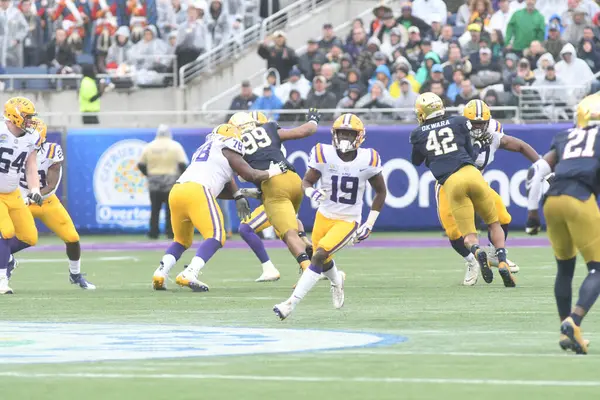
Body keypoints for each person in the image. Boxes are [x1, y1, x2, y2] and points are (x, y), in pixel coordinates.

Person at [273, 113, 387, 320]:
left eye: (349, 134)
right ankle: (337, 280)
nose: (344, 138)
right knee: (324, 261)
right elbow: (306, 182)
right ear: (334, 133)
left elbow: (381, 192)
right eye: (341, 133)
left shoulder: (369, 158)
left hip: (348, 220)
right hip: (323, 216)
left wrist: (369, 224)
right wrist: (311, 192)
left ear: (359, 136)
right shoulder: (323, 153)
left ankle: (290, 304)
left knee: (317, 256)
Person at [151, 123, 289, 292]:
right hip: (198, 190)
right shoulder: (229, 146)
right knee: (217, 235)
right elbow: (250, 174)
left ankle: (160, 272)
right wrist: (274, 171)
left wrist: (240, 194)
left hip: (177, 190)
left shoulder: (207, 149)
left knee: (181, 241)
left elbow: (219, 185)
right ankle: (190, 272)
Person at [410, 92, 515, 287]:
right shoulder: (458, 122)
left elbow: (416, 161)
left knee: (475, 230)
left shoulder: (419, 133)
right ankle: (496, 258)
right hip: (472, 174)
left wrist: (431, 153)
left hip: (451, 181)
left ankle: (480, 254)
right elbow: (468, 152)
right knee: (487, 223)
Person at [525, 94, 600, 354]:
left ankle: (565, 332)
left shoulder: (564, 136)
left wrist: (532, 213)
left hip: (551, 200)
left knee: (564, 270)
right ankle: (575, 320)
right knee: (597, 269)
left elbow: (537, 172)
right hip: (579, 198)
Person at [437, 100, 538, 285]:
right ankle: (471, 261)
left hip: (477, 181)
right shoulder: (454, 132)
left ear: (488, 121)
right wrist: (474, 147)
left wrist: (541, 166)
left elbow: (521, 145)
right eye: (473, 124)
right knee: (453, 231)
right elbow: (463, 160)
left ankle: (493, 254)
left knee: (503, 217)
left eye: (481, 123)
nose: (477, 128)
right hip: (449, 184)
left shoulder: (494, 132)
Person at [228, 110, 323, 279]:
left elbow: (245, 176)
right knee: (290, 223)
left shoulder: (236, 143)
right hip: (294, 180)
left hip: (273, 186)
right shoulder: (269, 129)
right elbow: (303, 131)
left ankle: (309, 271)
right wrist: (313, 120)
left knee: (287, 233)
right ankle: (318, 259)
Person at [12, 117, 95, 290]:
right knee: (12, 236)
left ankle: (75, 274)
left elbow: (51, 185)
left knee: (72, 237)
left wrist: (33, 195)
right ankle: (7, 261)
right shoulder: (14, 148)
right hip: (19, 199)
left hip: (45, 200)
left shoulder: (51, 151)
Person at [0, 97, 42, 295]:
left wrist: (34, 189)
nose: (30, 121)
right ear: (14, 115)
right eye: (26, 117)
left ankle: (5, 256)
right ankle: (1, 280)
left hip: (13, 192)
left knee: (29, 236)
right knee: (6, 232)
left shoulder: (31, 137)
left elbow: (31, 166)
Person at [138, 124, 188, 239]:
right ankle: (170, 232)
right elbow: (182, 164)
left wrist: (149, 174)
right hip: (170, 180)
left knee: (155, 208)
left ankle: (153, 232)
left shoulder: (149, 147)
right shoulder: (175, 146)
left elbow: (140, 164)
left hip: (154, 180)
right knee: (170, 209)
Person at [0, 0, 28, 67]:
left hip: (14, 47)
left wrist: (17, 39)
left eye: (5, 1)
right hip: (1, 45)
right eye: (2, 1)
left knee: (14, 69)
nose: (3, 3)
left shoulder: (16, 13)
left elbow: (25, 27)